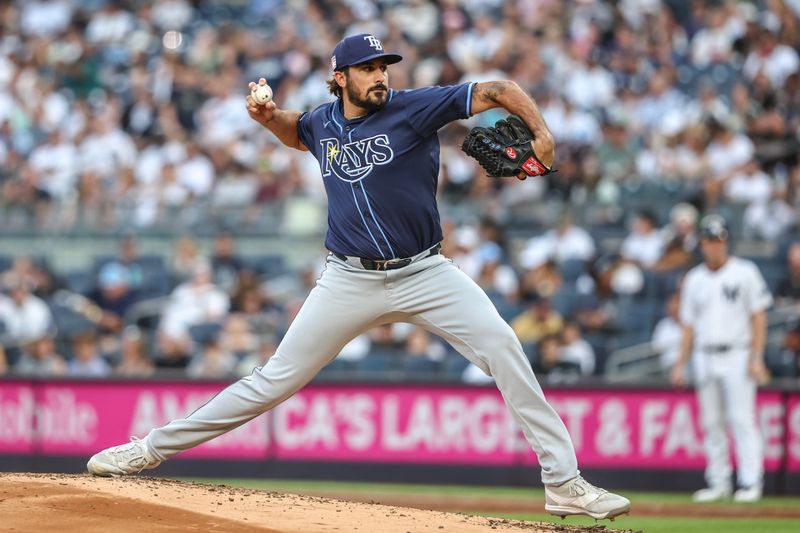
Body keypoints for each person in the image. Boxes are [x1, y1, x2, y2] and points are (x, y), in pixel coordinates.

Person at [87, 33, 629, 520]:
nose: (381, 75)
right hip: (348, 279)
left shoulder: (413, 108)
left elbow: (496, 89)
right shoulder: (323, 121)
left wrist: (541, 132)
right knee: (274, 379)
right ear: (341, 76)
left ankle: (563, 483)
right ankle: (150, 448)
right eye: (368, 68)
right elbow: (295, 132)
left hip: (427, 272)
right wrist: (266, 115)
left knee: (505, 350)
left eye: (384, 66)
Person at [671, 214, 772, 503]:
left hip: (738, 353)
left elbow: (759, 316)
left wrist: (757, 356)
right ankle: (719, 481)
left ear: (726, 242)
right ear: (701, 244)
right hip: (704, 354)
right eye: (708, 240)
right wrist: (680, 363)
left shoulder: (745, 272)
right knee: (711, 421)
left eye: (717, 240)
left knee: (741, 419)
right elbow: (688, 326)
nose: (713, 246)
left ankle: (751, 482)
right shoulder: (694, 279)